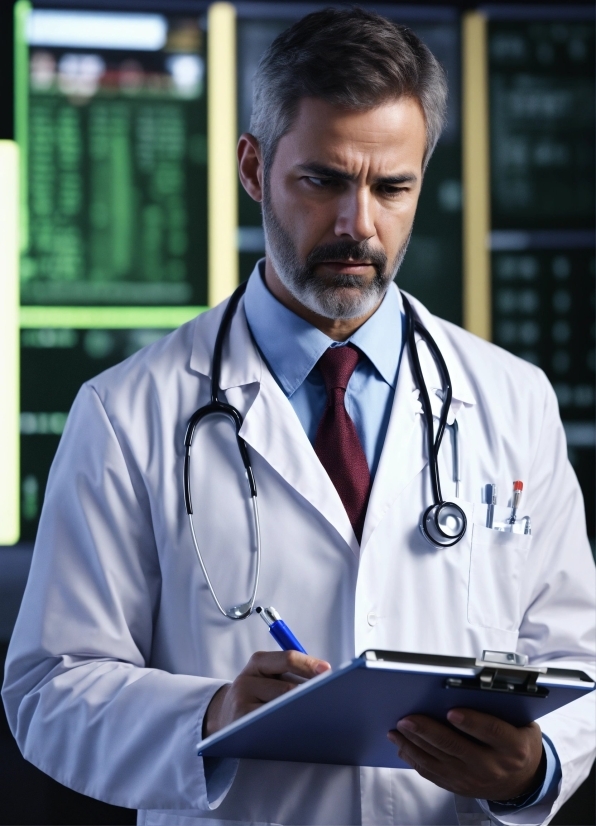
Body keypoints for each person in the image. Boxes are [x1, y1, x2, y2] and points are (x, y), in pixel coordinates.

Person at [3, 8, 595, 826]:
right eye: (322, 180)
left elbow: (574, 661)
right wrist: (211, 716)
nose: (358, 225)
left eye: (392, 187)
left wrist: (536, 767)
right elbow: (50, 690)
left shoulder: (512, 398)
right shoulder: (127, 411)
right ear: (253, 167)